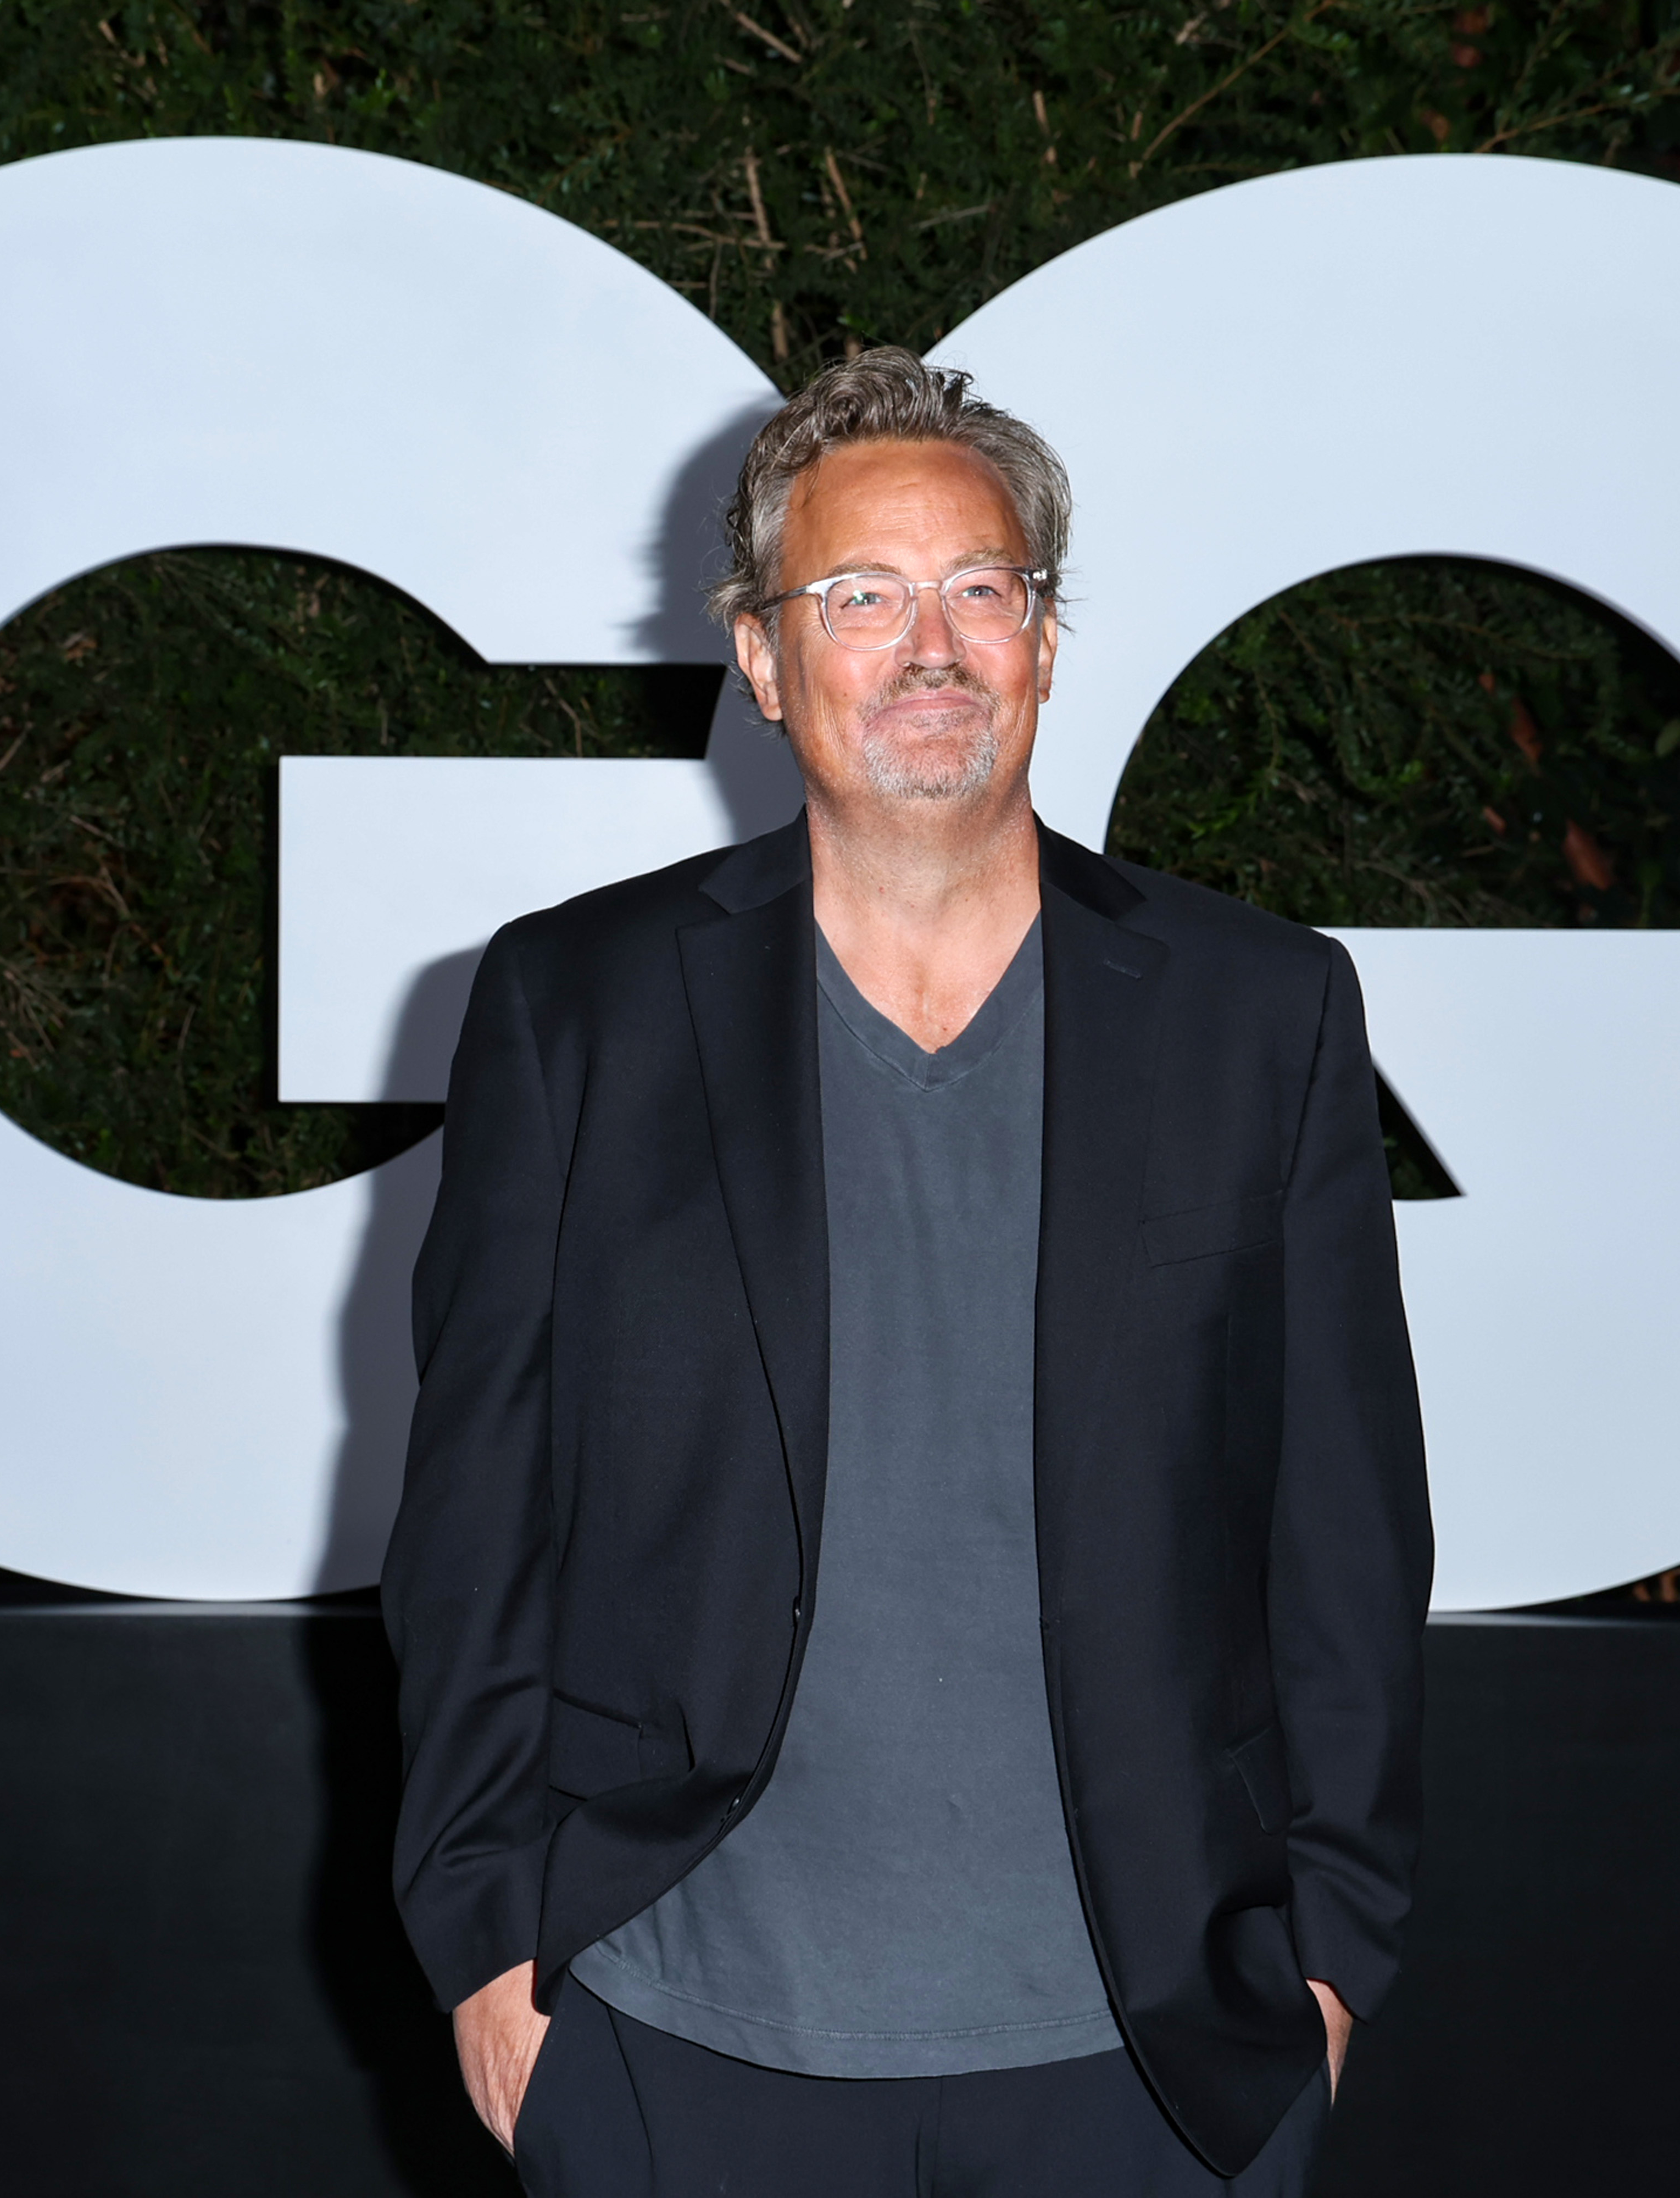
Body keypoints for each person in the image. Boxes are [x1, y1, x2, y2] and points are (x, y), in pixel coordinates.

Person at [381, 348, 1431, 2195]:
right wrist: (485, 1943)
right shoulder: (576, 1013)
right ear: (766, 660)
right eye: (860, 596)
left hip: (1157, 2055)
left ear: (1042, 639)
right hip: (670, 2030)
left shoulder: (1261, 1012)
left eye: (981, 590)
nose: (929, 644)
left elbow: (1348, 1535)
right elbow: (474, 1524)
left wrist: (1331, 1956)